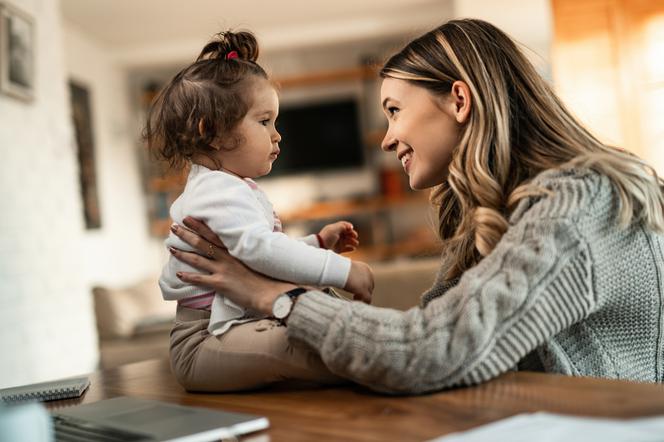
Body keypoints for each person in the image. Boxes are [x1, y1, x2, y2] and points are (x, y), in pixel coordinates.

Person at [168, 18, 664, 394]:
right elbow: (422, 333)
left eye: (394, 111)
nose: (386, 140)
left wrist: (270, 296)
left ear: (459, 101)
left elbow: (432, 351)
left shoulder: (577, 204)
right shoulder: (495, 212)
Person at [143, 30, 374, 392]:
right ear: (214, 133)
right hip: (203, 341)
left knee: (322, 321)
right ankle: (376, 363)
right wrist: (341, 270)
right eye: (265, 121)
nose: (277, 135)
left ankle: (369, 354)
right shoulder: (216, 190)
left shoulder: (230, 186)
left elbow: (257, 249)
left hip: (230, 327)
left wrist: (314, 243)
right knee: (302, 344)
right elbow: (261, 252)